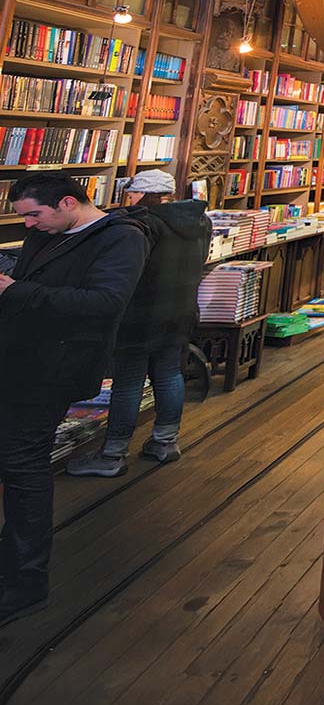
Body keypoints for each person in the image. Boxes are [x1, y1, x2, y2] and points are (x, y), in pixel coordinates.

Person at [0, 172, 148, 626]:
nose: (27, 225)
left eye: (34, 215)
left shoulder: (121, 238)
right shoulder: (50, 232)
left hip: (52, 370)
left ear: (68, 203)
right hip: (20, 361)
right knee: (14, 463)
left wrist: (13, 290)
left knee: (24, 466)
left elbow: (105, 303)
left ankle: (25, 583)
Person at [66, 170, 212, 478]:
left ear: (141, 194)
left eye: (131, 193)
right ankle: (165, 442)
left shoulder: (140, 226)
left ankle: (113, 453)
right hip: (180, 311)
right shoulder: (199, 221)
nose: (128, 198)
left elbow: (128, 270)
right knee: (170, 373)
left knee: (128, 383)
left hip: (140, 315)